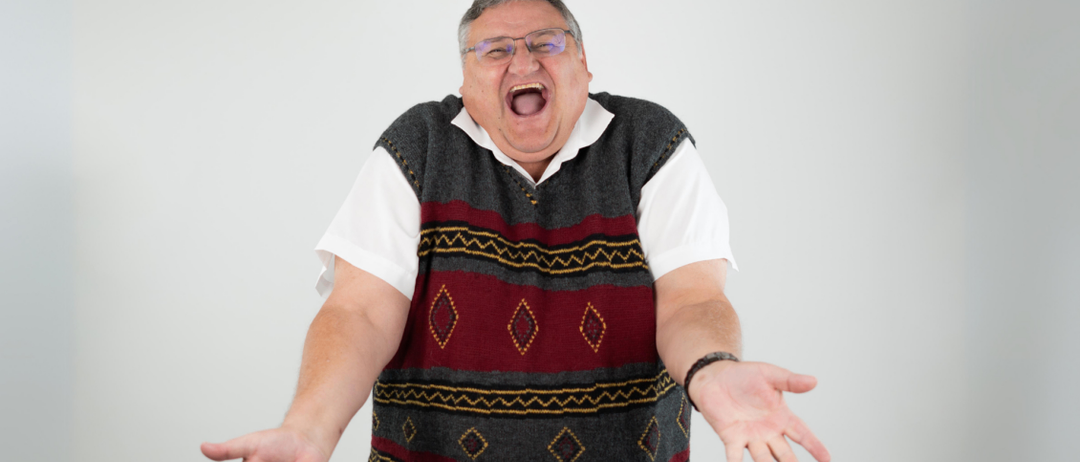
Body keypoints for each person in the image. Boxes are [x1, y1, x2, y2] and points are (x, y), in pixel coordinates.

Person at [201, 1, 831, 461]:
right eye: (495, 49)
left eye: (546, 43)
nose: (522, 60)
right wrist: (309, 431)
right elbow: (360, 312)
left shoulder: (649, 143)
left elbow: (692, 298)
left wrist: (712, 370)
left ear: (583, 63)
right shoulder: (417, 145)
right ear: (466, 81)